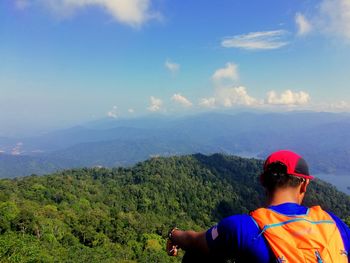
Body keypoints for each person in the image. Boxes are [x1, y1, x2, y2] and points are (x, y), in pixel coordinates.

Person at [166, 150, 350, 262]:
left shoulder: (243, 227)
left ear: (263, 182)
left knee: (197, 255)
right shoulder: (334, 224)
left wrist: (173, 234)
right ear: (304, 184)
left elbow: (193, 241)